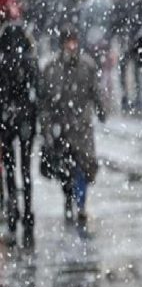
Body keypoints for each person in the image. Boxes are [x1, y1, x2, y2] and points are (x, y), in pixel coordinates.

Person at [39, 25, 106, 232]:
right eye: (68, 42)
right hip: (61, 127)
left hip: (82, 126)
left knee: (84, 167)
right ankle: (69, 199)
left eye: (74, 41)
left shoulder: (87, 66)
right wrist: (46, 127)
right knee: (65, 169)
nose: (71, 46)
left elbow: (95, 91)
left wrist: (101, 109)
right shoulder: (51, 68)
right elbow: (45, 101)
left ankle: (81, 204)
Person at [0, 0, 37, 247]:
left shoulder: (5, 41)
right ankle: (27, 214)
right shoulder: (25, 38)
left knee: (12, 169)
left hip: (7, 114)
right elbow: (35, 79)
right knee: (24, 168)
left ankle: (14, 212)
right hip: (24, 114)